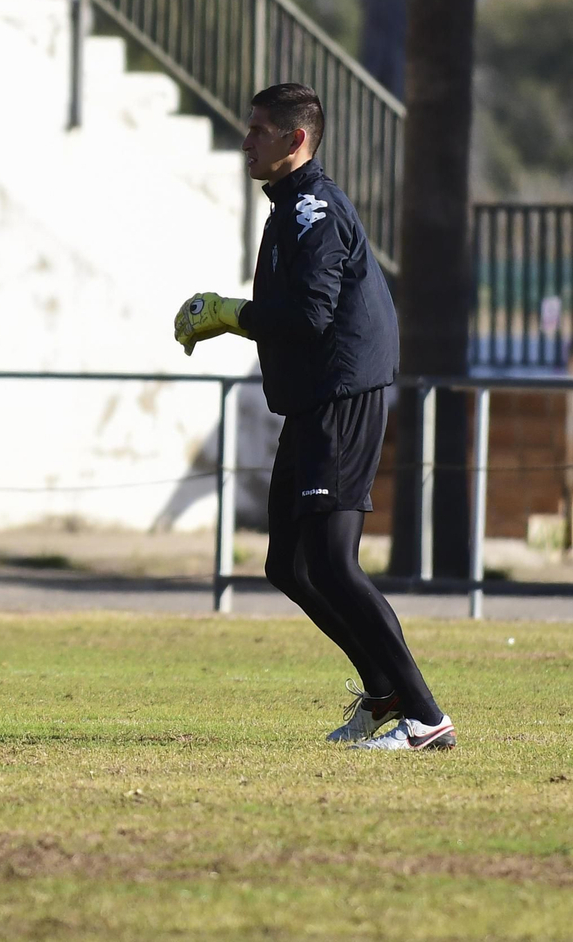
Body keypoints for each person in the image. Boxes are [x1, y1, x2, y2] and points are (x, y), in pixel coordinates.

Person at [174, 82, 456, 751]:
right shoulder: (290, 208)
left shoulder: (314, 211)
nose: (246, 140)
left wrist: (228, 312)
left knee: (332, 560)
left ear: (295, 139)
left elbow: (308, 315)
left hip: (342, 396)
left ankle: (425, 717)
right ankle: (384, 691)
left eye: (258, 130)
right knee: (287, 565)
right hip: (311, 402)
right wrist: (233, 312)